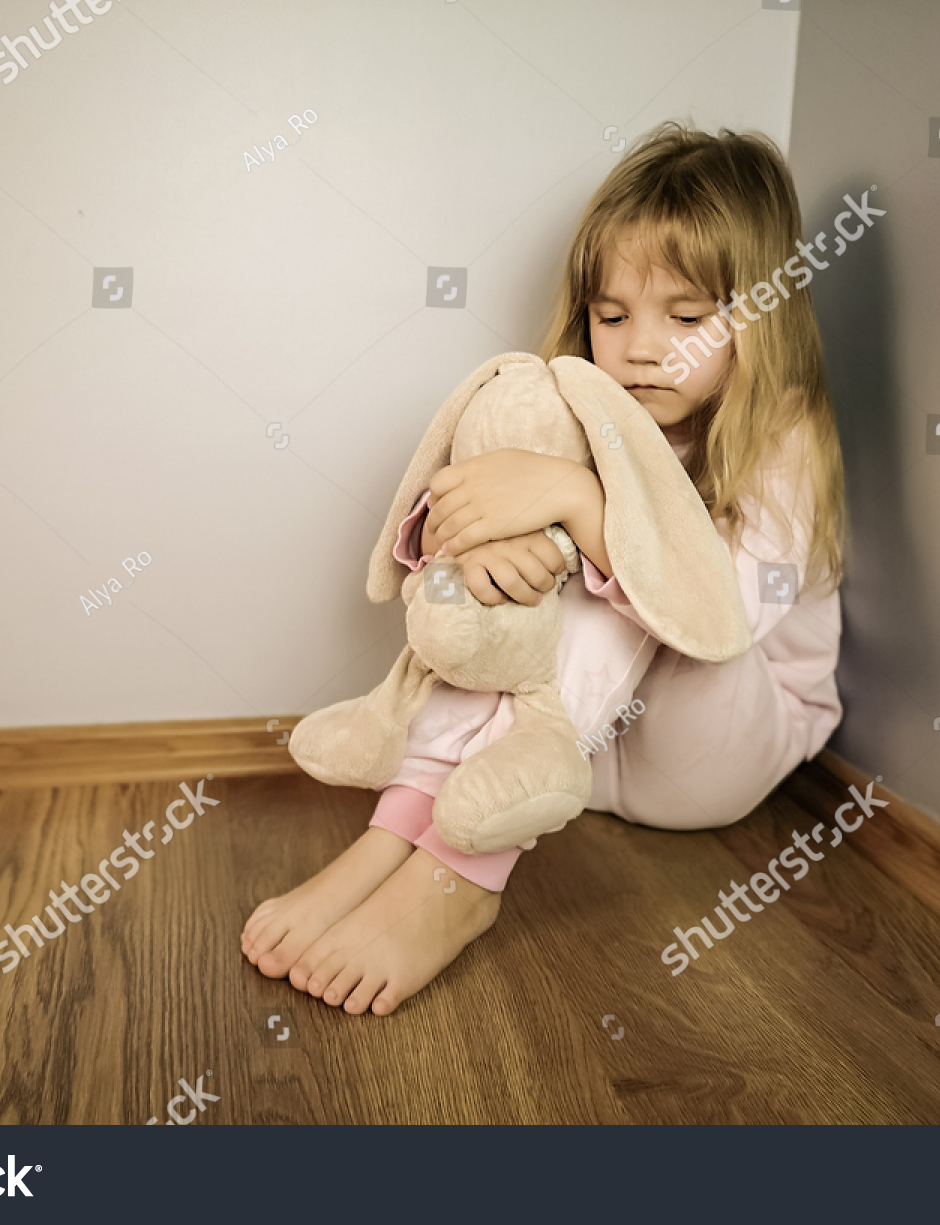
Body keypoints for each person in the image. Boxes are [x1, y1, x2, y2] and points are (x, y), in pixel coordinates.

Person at [242, 121, 848, 1016]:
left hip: (716, 747)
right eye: (613, 315)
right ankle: (398, 828)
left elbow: (717, 614)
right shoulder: (585, 408)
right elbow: (456, 537)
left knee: (618, 597)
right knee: (520, 564)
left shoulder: (783, 433)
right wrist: (502, 542)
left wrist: (572, 498)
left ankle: (460, 882)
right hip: (584, 755)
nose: (641, 347)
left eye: (686, 318)